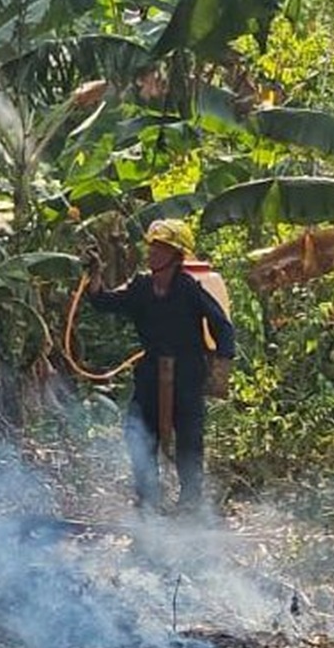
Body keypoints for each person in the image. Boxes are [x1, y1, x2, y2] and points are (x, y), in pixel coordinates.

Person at [85, 219, 236, 515]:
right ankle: (148, 499)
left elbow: (222, 327)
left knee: (189, 439)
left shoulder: (189, 288)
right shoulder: (141, 286)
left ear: (175, 256)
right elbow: (104, 301)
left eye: (161, 248)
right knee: (138, 433)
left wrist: (220, 367)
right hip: (151, 371)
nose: (152, 253)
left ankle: (190, 502)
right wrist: (95, 273)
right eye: (152, 247)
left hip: (187, 372)